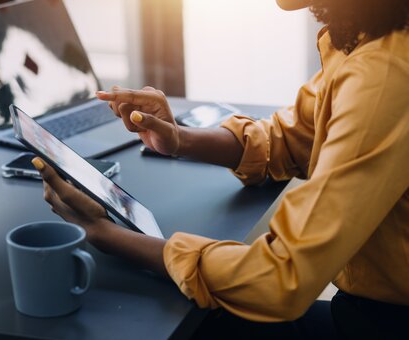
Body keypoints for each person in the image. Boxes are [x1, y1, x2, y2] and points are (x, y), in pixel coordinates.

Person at [31, 0, 409, 338]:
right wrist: (179, 137)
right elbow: (293, 138)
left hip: (386, 320)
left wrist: (105, 234)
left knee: (181, 325)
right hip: (374, 311)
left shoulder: (384, 75)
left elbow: (283, 276)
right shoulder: (367, 39)